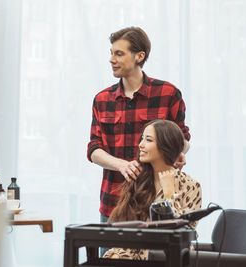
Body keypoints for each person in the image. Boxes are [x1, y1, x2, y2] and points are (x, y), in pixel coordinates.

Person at [87, 26, 191, 226]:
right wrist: (121, 165)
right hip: (114, 204)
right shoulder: (101, 99)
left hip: (159, 203)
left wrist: (178, 150)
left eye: (119, 54)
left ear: (139, 56)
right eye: (111, 53)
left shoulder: (168, 94)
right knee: (110, 258)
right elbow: (93, 149)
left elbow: (183, 139)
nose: (111, 59)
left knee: (159, 258)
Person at [103, 119, 202, 260]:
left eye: (148, 140)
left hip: (172, 257)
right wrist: (118, 254)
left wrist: (170, 193)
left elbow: (183, 232)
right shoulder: (138, 178)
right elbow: (130, 234)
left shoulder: (191, 186)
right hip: (136, 255)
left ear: (165, 145)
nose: (140, 145)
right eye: (142, 139)